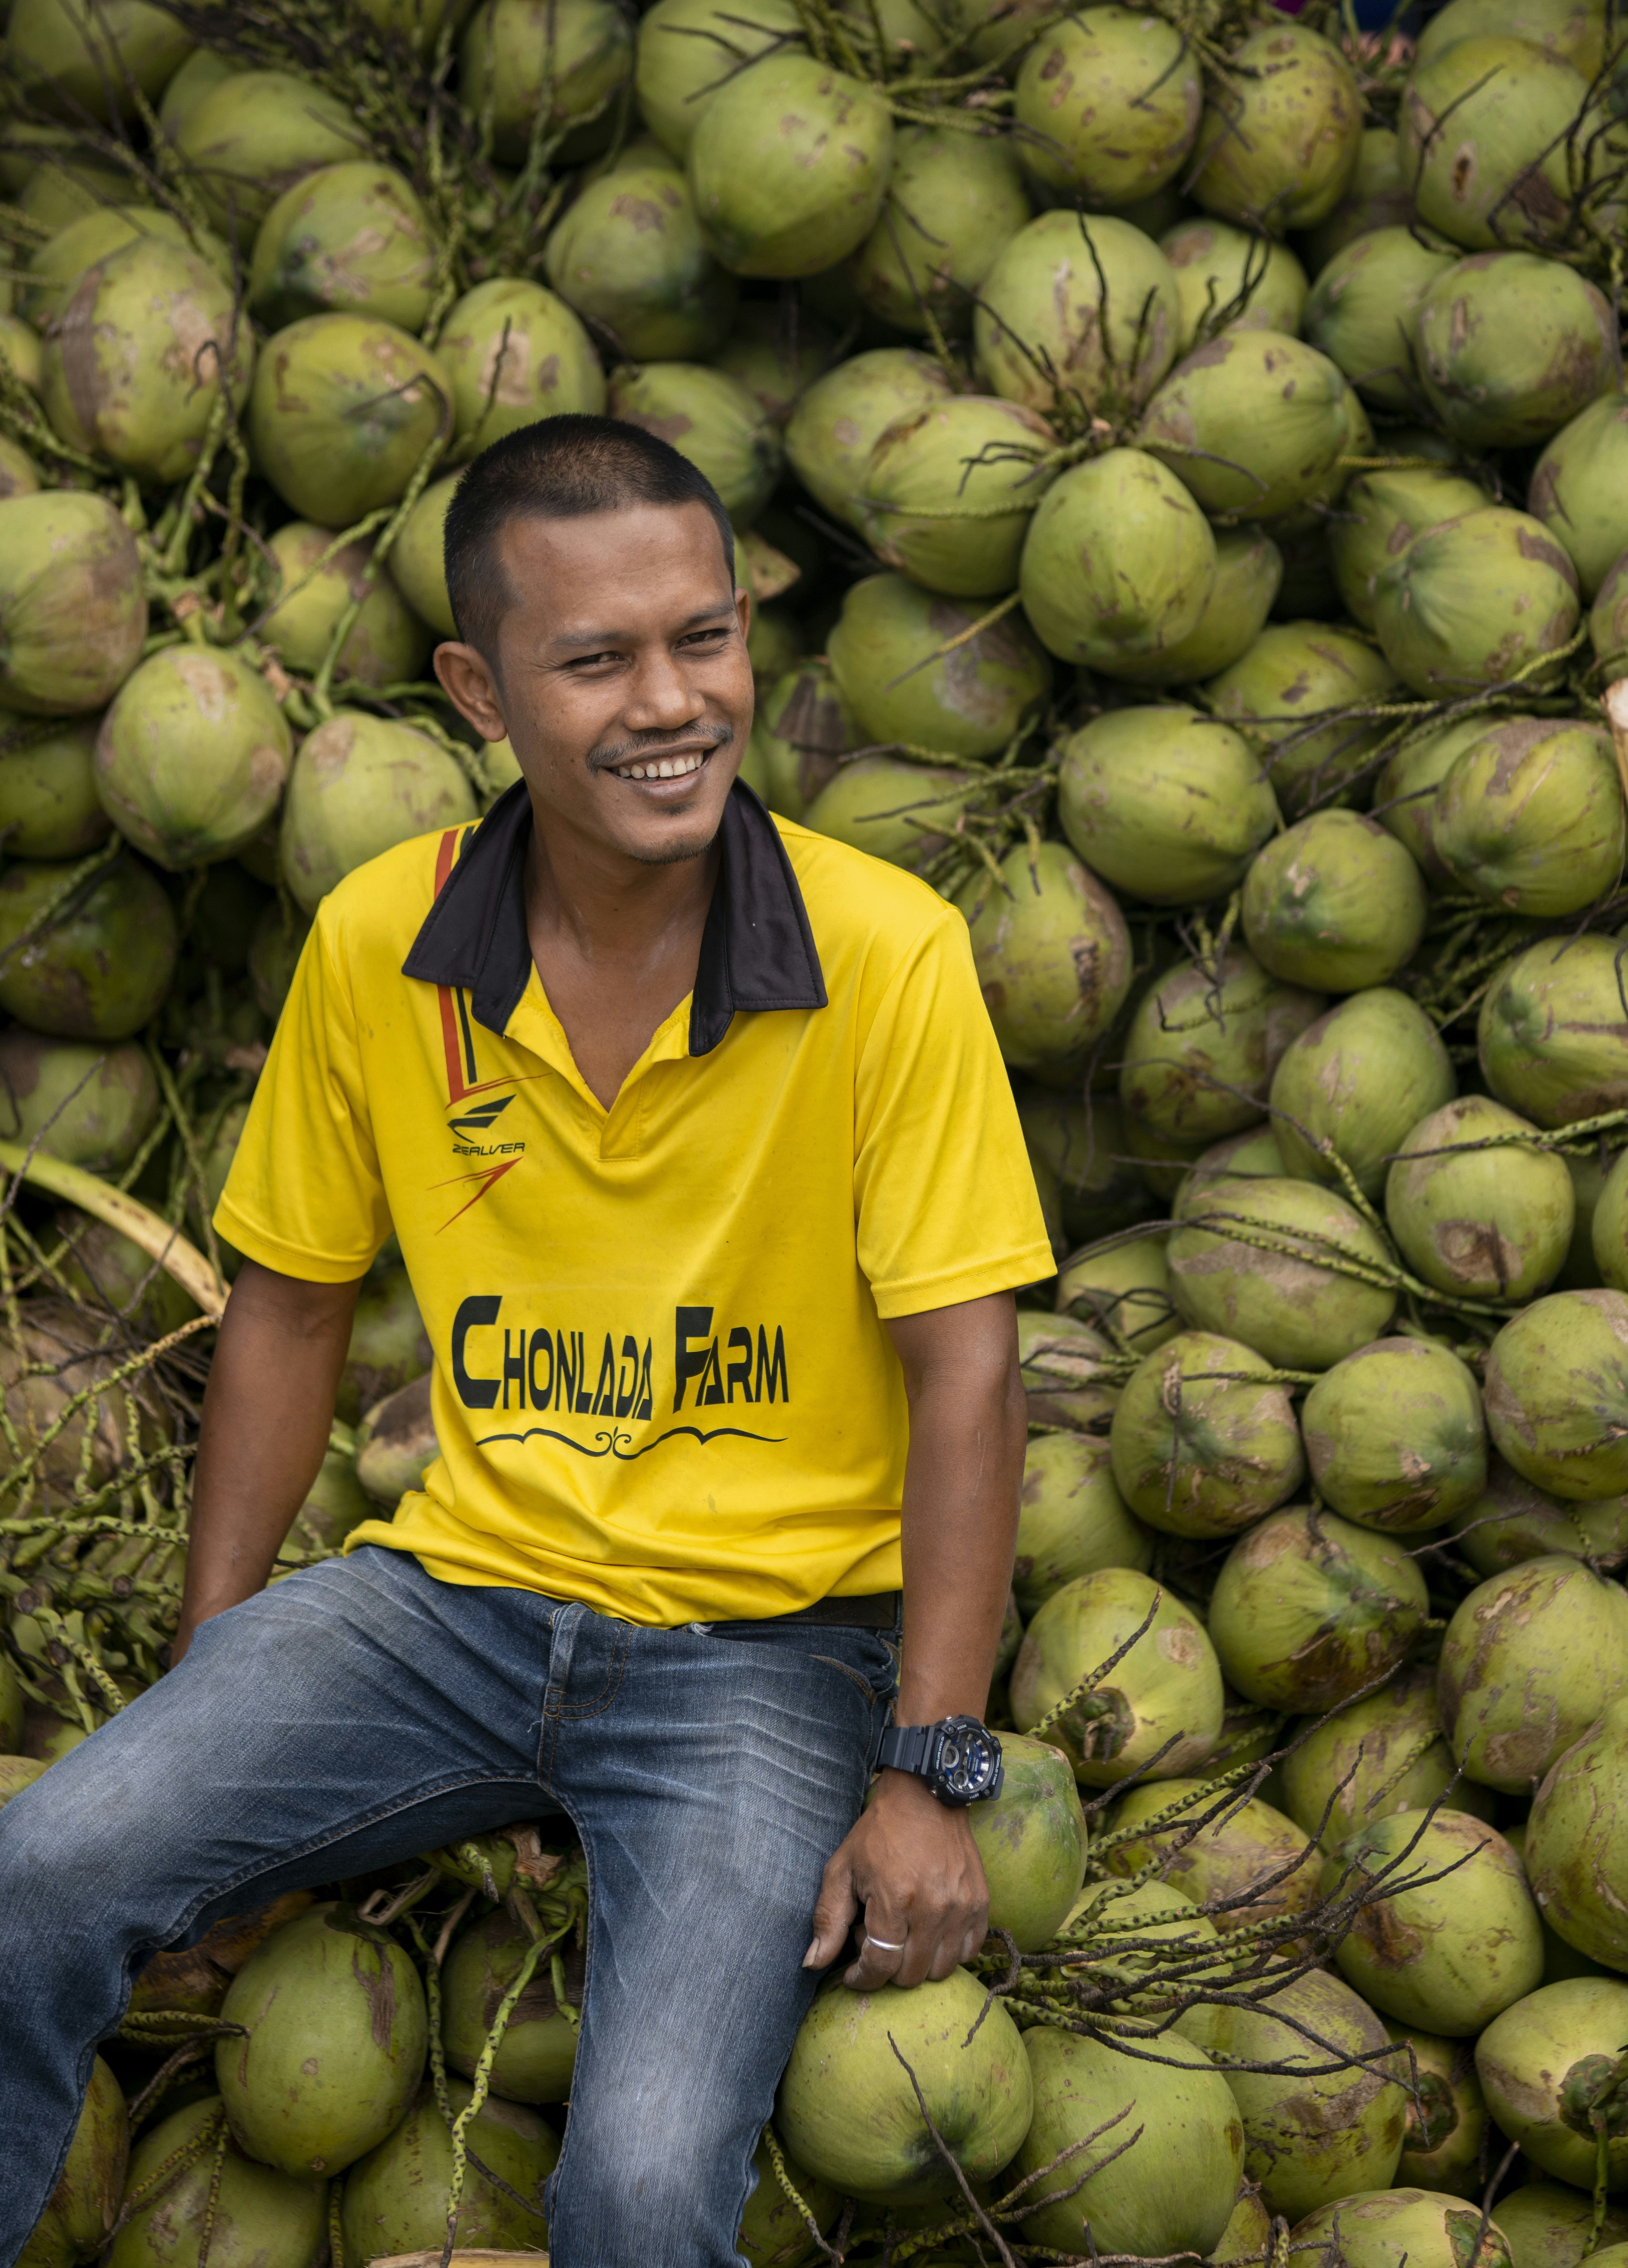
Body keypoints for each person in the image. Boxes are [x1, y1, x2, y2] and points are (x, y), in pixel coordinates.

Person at [0, 415, 1052, 2266]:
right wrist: (215, 1671)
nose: (673, 702)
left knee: (642, 2193)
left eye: (704, 639)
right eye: (598, 661)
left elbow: (967, 1372)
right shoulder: (381, 939)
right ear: (479, 689)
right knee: (34, 1878)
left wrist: (928, 1769)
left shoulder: (886, 953)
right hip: (450, 1605)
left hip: (762, 1654)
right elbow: (291, 1300)